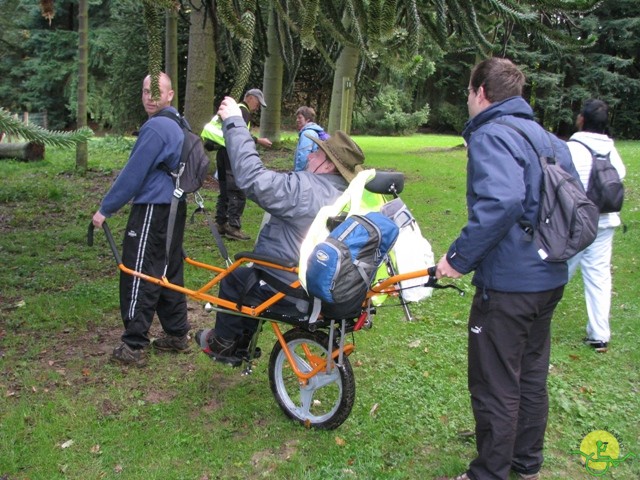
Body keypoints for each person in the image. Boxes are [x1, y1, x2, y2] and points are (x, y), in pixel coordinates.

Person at [435, 58, 577, 480]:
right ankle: (525, 463)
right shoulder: (551, 141)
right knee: (530, 375)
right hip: (549, 277)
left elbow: (503, 201)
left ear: (481, 93)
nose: (467, 99)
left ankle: (490, 473)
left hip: (512, 284)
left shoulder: (492, 135)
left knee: (495, 381)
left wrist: (458, 259)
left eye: (467, 91)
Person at [195, 96, 365, 367]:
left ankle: (225, 344)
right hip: (320, 281)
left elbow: (252, 179)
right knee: (249, 274)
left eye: (316, 153)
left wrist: (236, 125)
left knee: (236, 278)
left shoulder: (307, 190)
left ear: (329, 165)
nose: (310, 154)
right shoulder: (345, 193)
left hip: (290, 285)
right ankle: (242, 344)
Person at [92, 72, 191, 367]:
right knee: (168, 269)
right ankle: (176, 334)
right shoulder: (179, 124)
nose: (150, 97)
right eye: (146, 90)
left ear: (170, 95)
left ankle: (133, 345)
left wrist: (105, 209)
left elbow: (133, 174)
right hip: (175, 206)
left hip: (152, 208)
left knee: (139, 270)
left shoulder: (156, 127)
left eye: (157, 91)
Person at [567, 99, 626, 353]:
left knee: (558, 270)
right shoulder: (611, 150)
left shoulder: (572, 148)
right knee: (599, 276)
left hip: (577, 222)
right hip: (605, 222)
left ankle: (534, 316)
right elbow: (619, 174)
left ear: (582, 119)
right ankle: (599, 333)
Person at [202, 89, 272, 241]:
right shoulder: (242, 111)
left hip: (222, 154)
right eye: (258, 103)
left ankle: (221, 223)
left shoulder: (231, 110)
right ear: (250, 98)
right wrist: (258, 141)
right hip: (231, 155)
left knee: (224, 189)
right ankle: (233, 227)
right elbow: (240, 136)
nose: (258, 107)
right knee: (237, 190)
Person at [293, 106, 328, 171]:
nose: (297, 120)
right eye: (297, 118)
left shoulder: (307, 133)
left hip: (306, 173)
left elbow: (303, 155)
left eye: (300, 118)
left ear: (307, 119)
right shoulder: (314, 131)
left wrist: (297, 174)